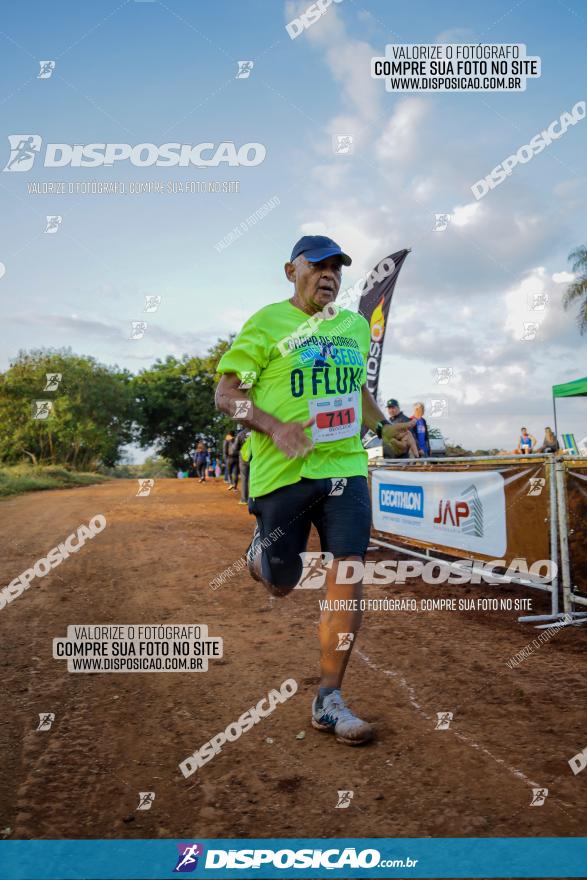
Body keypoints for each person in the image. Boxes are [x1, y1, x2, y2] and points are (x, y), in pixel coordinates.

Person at [215, 234, 414, 746]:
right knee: (282, 581)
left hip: (345, 468)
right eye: (318, 266)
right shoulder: (265, 323)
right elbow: (226, 396)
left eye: (337, 269)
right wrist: (272, 425)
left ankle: (329, 698)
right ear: (291, 271)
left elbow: (360, 392)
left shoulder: (351, 326)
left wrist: (382, 427)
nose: (329, 275)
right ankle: (261, 555)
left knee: (348, 570)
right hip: (283, 472)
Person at [236, 427, 251, 505]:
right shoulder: (257, 433)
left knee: (244, 478)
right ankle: (253, 499)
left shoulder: (240, 434)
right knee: (253, 478)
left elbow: (235, 447)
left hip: (243, 458)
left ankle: (244, 499)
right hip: (255, 458)